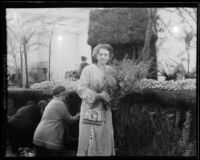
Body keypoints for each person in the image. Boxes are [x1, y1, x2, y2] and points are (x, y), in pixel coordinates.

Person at [77, 44, 116, 156]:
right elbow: (81, 89)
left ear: (109, 56)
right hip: (92, 109)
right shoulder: (88, 69)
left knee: (105, 135)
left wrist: (113, 96)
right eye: (101, 54)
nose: (103, 57)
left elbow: (115, 89)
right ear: (96, 55)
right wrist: (98, 95)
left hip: (106, 109)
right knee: (93, 137)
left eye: (106, 54)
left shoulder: (112, 71)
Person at [33, 85, 80, 157]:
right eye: (65, 95)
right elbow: (70, 120)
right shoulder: (60, 103)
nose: (66, 97)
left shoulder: (51, 102)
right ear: (62, 94)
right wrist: (78, 115)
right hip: (50, 141)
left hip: (38, 137)